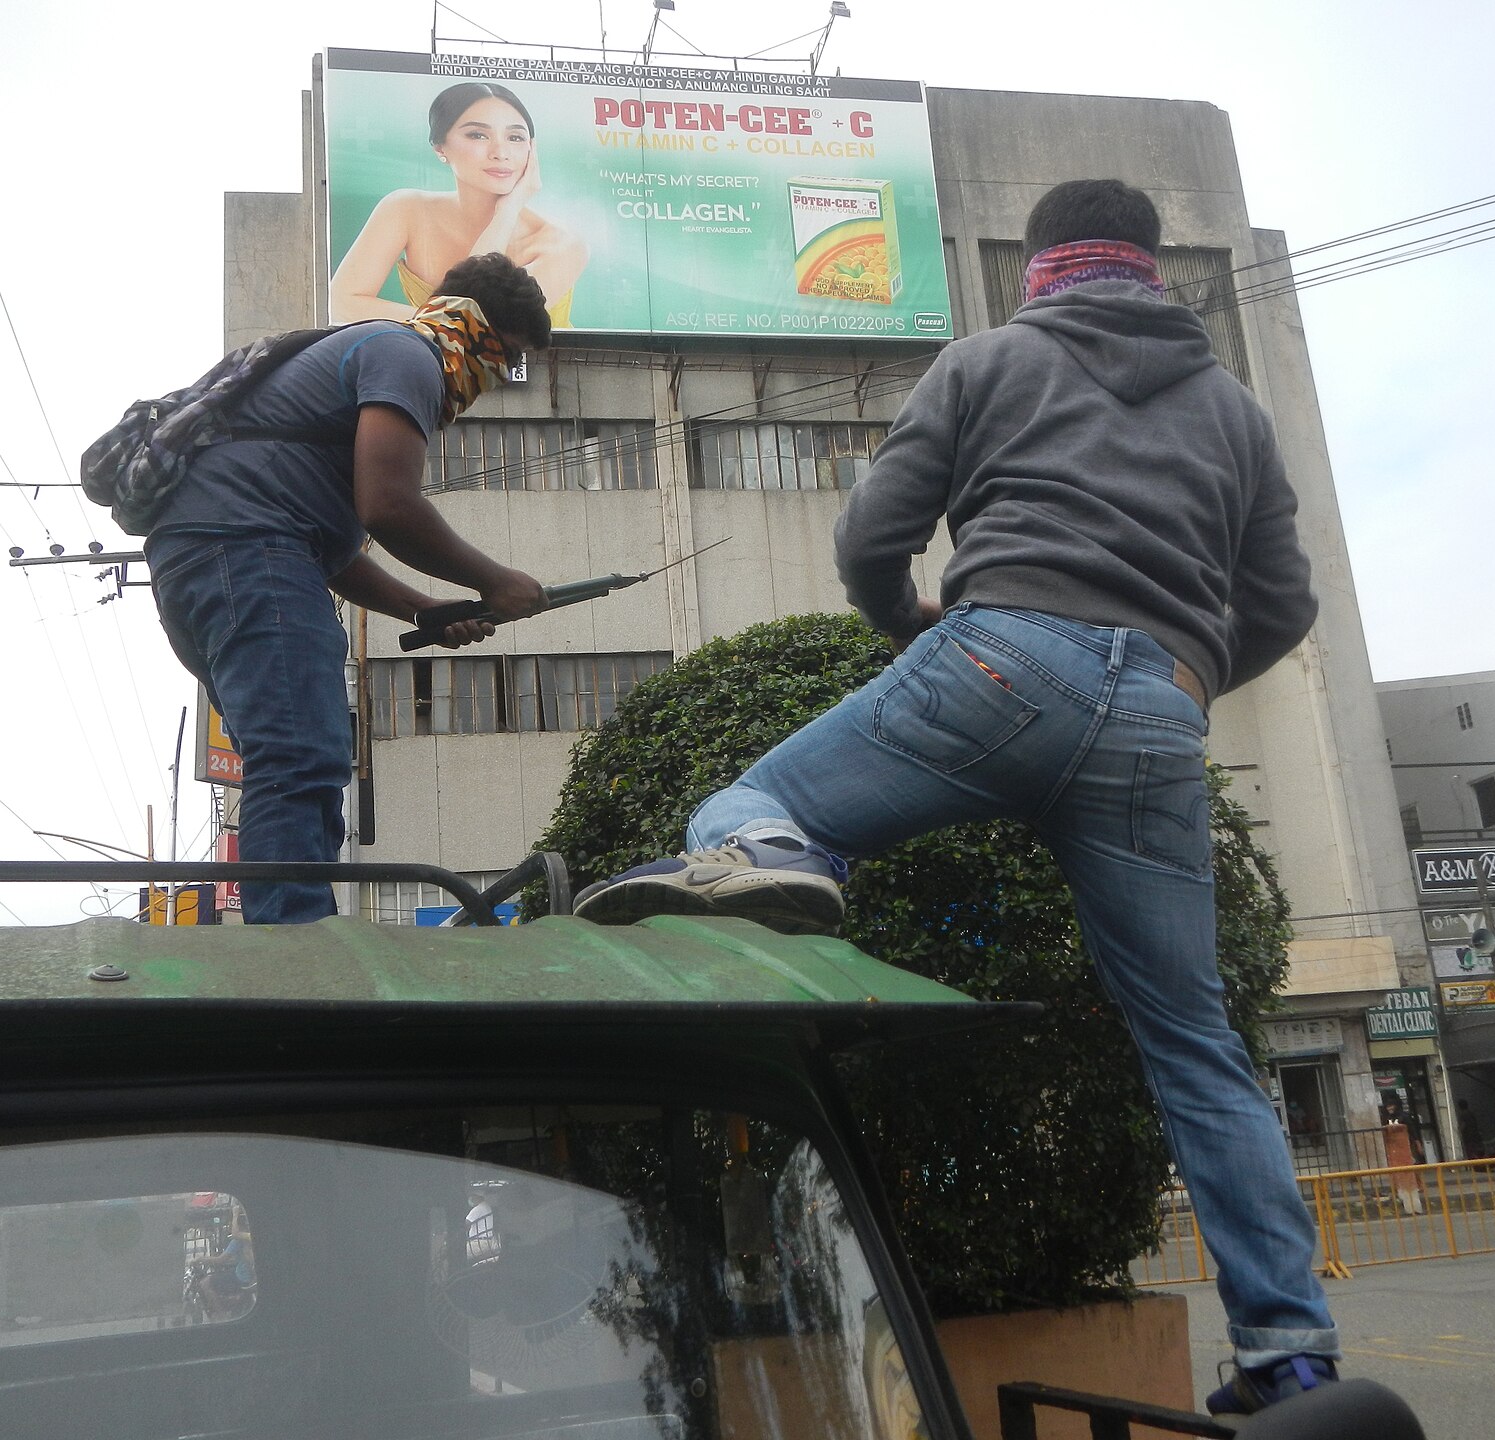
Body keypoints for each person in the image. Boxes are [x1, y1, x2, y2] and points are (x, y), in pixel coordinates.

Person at [573, 179, 1337, 1415]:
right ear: (1153, 267)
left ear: (1037, 264)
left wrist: (904, 627)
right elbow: (1287, 602)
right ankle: (1290, 1353)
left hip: (998, 658)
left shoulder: (989, 361)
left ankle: (791, 861)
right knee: (1196, 1041)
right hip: (1159, 716)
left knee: (749, 808)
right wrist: (1186, 677)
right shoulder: (1234, 411)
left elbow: (873, 535)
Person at [146, 252, 552, 925]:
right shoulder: (407, 354)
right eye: (505, 356)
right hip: (247, 555)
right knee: (299, 754)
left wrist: (423, 608)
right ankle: (297, 948)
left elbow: (331, 552)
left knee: (290, 753)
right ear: (475, 325)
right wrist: (495, 580)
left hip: (211, 562)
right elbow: (388, 507)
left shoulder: (370, 356)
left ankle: (295, 928)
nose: (495, 378)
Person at [330, 82, 588, 328]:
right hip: (427, 359)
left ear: (532, 149)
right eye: (478, 135)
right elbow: (341, 304)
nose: (500, 152)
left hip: (551, 362)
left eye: (515, 137)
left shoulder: (562, 243)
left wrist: (509, 210)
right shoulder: (406, 210)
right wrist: (447, 321)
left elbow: (480, 322)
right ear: (440, 147)